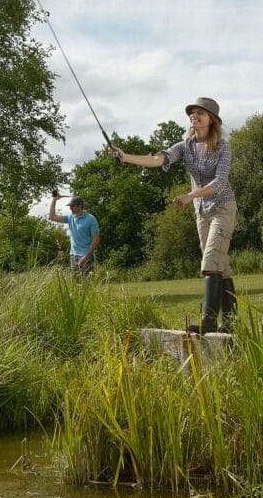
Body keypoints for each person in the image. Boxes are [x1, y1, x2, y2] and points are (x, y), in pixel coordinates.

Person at [109, 96, 238, 333]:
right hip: (202, 212)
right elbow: (158, 160)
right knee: (221, 266)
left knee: (210, 261)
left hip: (222, 207)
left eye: (200, 112)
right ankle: (230, 323)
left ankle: (208, 322)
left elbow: (220, 182)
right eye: (192, 112)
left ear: (212, 120)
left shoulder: (223, 146)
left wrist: (190, 195)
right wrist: (125, 157)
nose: (194, 115)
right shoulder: (185, 146)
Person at [48, 194, 100, 275]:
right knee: (75, 284)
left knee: (87, 284)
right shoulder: (70, 217)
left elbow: (96, 239)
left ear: (79, 206)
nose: (70, 208)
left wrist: (86, 256)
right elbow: (52, 217)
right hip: (73, 256)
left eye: (72, 206)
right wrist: (54, 200)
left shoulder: (91, 219)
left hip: (87, 256)